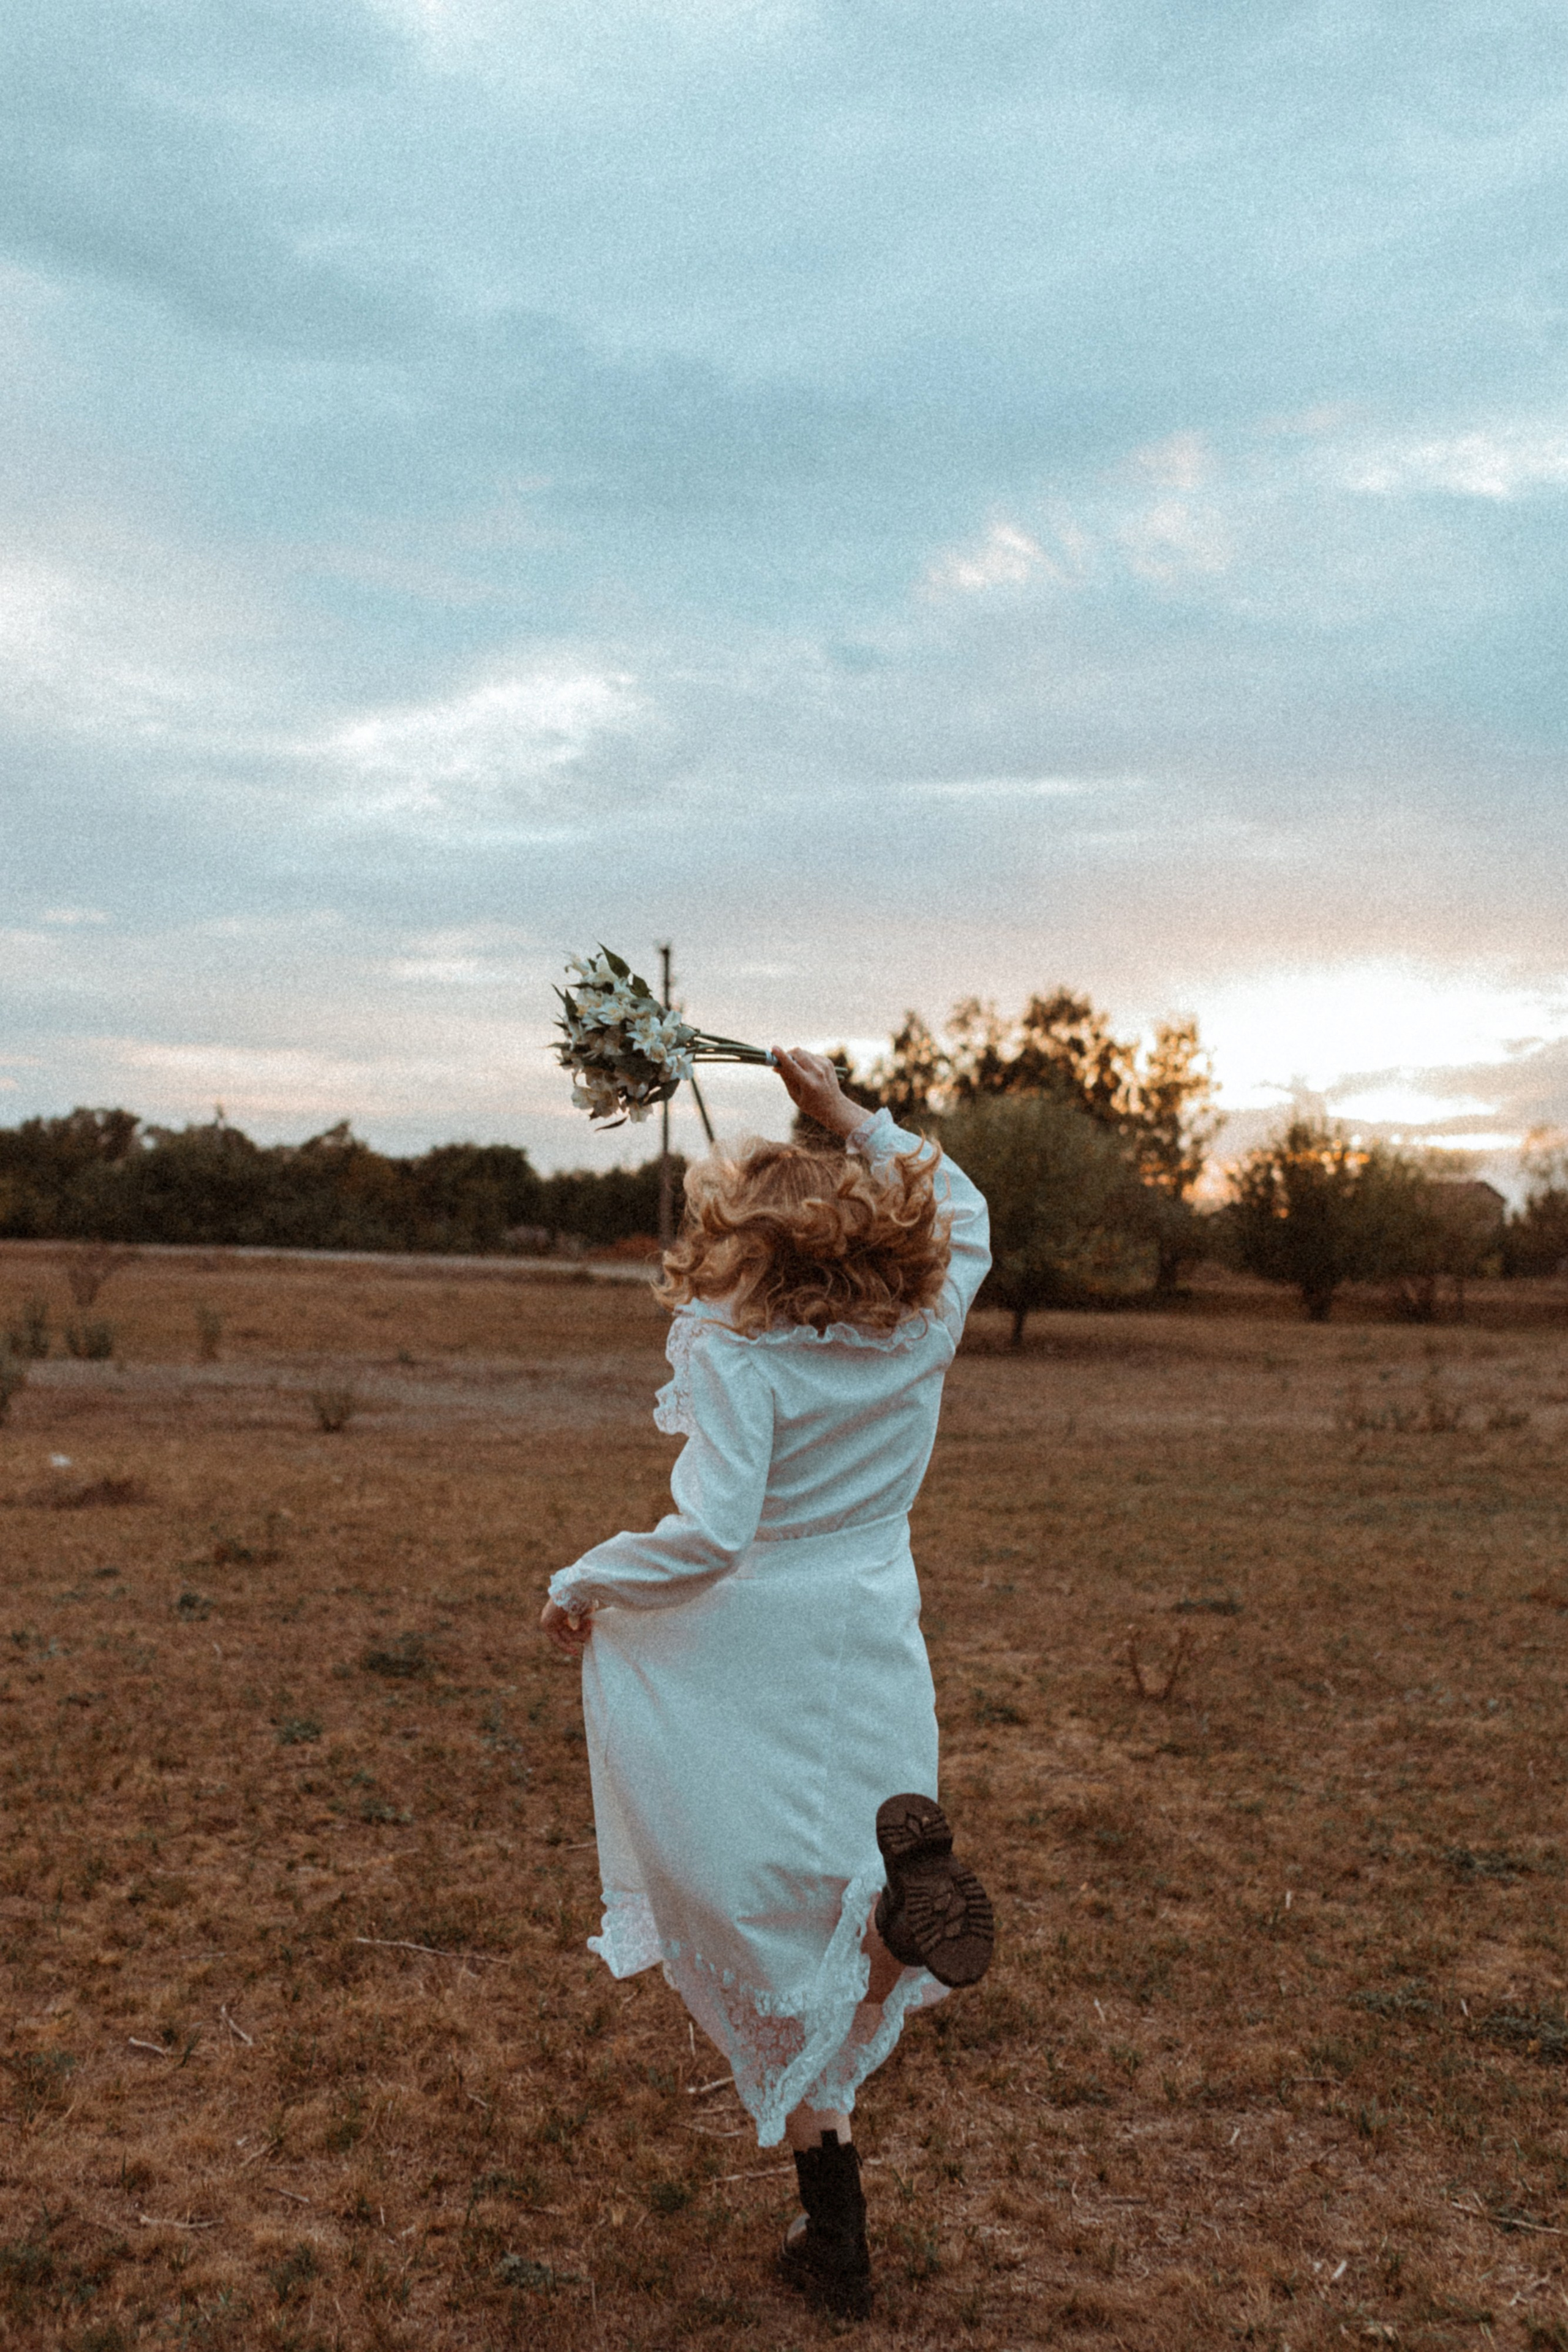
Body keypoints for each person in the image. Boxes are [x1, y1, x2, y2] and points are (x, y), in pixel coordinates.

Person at [540, 1047, 994, 2320]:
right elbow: (967, 1212)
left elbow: (711, 1534)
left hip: (755, 1636)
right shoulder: (921, 1328)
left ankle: (872, 1938)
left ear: (751, 1243)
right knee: (849, 1853)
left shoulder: (738, 1356)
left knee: (732, 1873)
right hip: (871, 1623)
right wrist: (849, 1115)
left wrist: (586, 1579)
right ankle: (832, 2221)